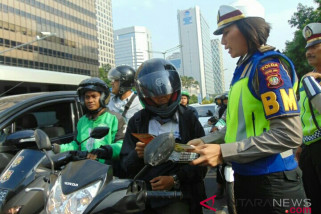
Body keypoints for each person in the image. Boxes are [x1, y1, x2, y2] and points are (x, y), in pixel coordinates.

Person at [188, 1, 307, 213]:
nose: (222, 41)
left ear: (247, 27)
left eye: (226, 32)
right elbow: (236, 127)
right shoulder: (244, 69)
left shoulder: (268, 67)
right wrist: (206, 141)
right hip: (249, 178)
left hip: (274, 183)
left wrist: (224, 152)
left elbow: (288, 134)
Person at [120, 58, 207, 214]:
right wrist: (137, 155)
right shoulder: (137, 122)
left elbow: (201, 162)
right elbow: (125, 165)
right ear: (144, 92)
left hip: (181, 196)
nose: (161, 96)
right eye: (154, 92)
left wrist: (175, 179)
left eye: (165, 91)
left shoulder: (188, 118)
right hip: (145, 198)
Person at [52, 77, 126, 172]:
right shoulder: (82, 120)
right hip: (84, 168)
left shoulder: (115, 118)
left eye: (94, 96)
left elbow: (122, 144)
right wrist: (58, 148)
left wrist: (106, 151)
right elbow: (76, 144)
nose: (90, 100)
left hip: (107, 170)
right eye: (87, 97)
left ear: (103, 97)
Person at [295, 22, 321, 213]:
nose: (309, 52)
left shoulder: (308, 80)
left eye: (315, 46)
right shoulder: (307, 78)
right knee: (312, 199)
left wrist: (310, 83)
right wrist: (299, 145)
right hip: (308, 149)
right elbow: (300, 115)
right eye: (307, 48)